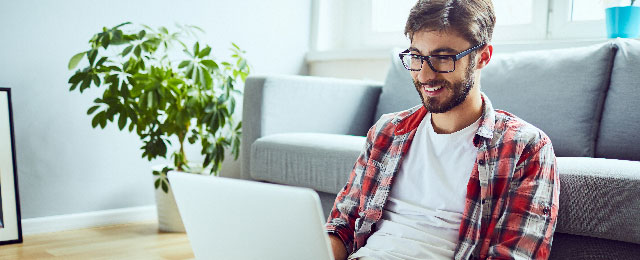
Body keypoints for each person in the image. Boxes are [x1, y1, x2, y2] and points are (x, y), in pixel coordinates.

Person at [325, 0, 560, 259]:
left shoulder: (525, 148)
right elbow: (342, 227)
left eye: (443, 58)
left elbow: (514, 254)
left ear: (482, 57)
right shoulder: (387, 132)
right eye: (416, 57)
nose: (425, 75)